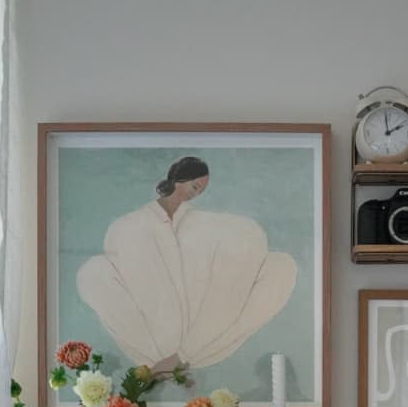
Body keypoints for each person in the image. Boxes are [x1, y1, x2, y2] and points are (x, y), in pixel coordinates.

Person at [76, 156, 297, 370]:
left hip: (199, 335)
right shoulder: (129, 225)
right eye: (194, 187)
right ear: (178, 180)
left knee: (279, 266)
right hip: (153, 329)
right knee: (92, 274)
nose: (196, 194)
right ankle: (169, 357)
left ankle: (183, 354)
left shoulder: (201, 224)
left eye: (200, 191)